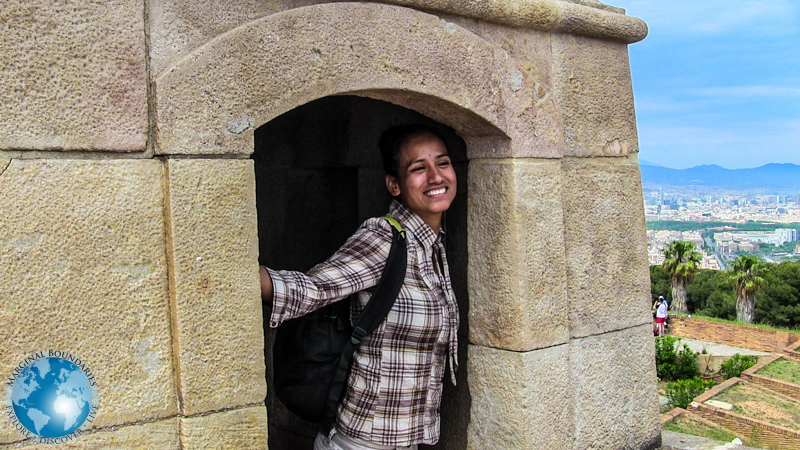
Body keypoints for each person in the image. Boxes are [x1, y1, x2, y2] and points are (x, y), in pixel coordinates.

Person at [259, 124, 459, 450]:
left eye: (443, 163)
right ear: (394, 184)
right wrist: (233, 275)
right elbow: (315, 288)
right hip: (365, 439)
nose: (436, 177)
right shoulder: (384, 237)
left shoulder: (433, 247)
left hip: (407, 438)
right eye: (419, 168)